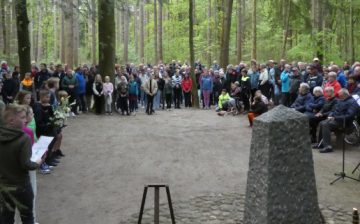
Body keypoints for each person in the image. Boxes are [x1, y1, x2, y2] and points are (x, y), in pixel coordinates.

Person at [0, 104, 41, 224]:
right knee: (27, 217)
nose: (26, 120)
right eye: (23, 117)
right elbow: (26, 165)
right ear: (12, 120)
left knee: (6, 217)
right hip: (21, 186)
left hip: (4, 186)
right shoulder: (24, 138)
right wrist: (37, 162)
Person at [317, 88, 359, 153]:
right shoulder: (341, 100)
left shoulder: (352, 103)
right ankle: (321, 143)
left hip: (345, 122)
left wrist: (335, 117)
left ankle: (328, 146)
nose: (339, 97)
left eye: (340, 96)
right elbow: (334, 110)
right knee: (322, 123)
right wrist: (330, 115)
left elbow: (349, 116)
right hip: (337, 120)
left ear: (345, 95)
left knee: (325, 124)